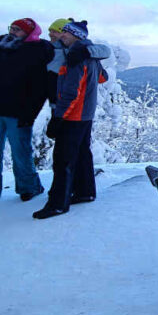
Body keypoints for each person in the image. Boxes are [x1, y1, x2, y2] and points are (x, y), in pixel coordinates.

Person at [0, 17, 53, 205]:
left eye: (18, 29)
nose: (13, 32)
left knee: (21, 152)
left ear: (29, 33)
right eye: (12, 28)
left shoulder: (36, 53)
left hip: (18, 113)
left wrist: (29, 115)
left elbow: (39, 90)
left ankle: (29, 187)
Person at [34, 20, 108, 220]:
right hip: (86, 115)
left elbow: (71, 93)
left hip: (74, 115)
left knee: (63, 160)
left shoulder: (76, 57)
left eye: (66, 33)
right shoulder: (88, 54)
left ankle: (58, 204)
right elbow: (103, 77)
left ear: (77, 36)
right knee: (83, 153)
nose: (62, 36)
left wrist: (58, 118)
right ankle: (85, 192)